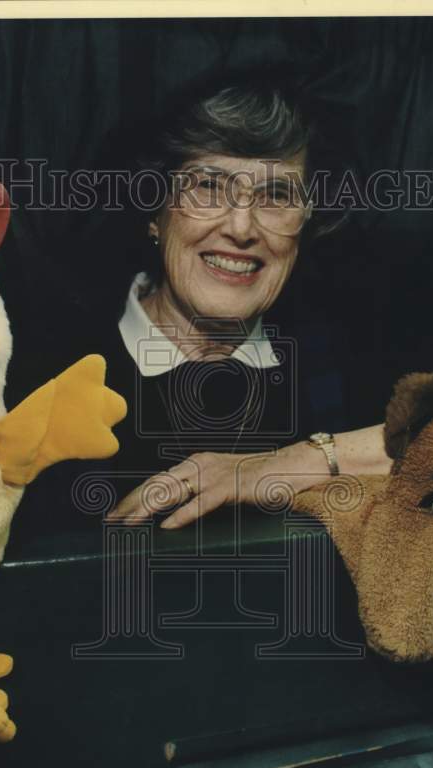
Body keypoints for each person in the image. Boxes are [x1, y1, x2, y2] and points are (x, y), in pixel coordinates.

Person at [92, 73, 393, 529]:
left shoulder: (338, 359)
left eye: (277, 195)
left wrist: (273, 466)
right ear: (155, 210)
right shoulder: (51, 362)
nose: (241, 227)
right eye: (209, 187)